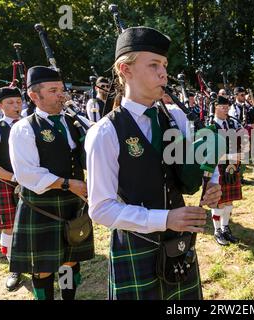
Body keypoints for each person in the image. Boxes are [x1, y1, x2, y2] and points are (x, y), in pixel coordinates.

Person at [85, 26, 222, 300]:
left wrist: (213, 183)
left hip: (178, 243)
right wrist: (165, 218)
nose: (164, 73)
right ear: (126, 70)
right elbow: (101, 209)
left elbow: (203, 158)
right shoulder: (105, 132)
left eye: (165, 65)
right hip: (136, 245)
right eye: (154, 65)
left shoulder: (175, 118)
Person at [9, 66, 94, 300]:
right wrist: (69, 184)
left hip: (73, 203)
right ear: (34, 96)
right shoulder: (24, 128)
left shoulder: (74, 121)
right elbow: (28, 174)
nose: (61, 95)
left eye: (62, 89)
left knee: (69, 259)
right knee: (43, 266)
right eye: (53, 90)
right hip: (41, 205)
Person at [0, 87, 22, 291]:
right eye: (10, 103)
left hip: (33, 183)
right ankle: (15, 267)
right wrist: (14, 178)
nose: (16, 106)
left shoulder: (31, 124)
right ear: (0, 105)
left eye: (18, 102)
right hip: (7, 181)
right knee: (9, 226)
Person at [209, 95, 243, 246]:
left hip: (231, 166)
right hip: (218, 168)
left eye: (227, 108)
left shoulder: (231, 123)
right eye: (223, 108)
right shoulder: (210, 126)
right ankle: (217, 231)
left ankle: (225, 228)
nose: (226, 110)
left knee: (229, 201)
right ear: (215, 107)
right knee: (219, 201)